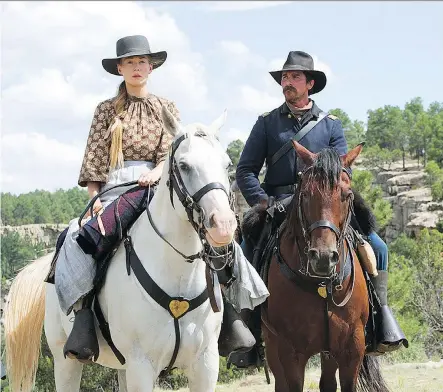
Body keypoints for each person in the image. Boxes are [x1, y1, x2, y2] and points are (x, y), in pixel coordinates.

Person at [53, 35, 267, 364]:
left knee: (214, 230)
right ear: (120, 68)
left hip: (162, 185)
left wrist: (158, 172)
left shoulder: (167, 107)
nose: (137, 68)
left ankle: (232, 312)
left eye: (143, 62)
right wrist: (95, 198)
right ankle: (83, 318)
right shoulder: (105, 111)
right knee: (80, 238)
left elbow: (178, 152)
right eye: (130, 63)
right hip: (116, 188)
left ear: (151, 67)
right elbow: (95, 160)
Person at [232, 51, 408, 367]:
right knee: (244, 251)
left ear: (310, 84)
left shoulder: (330, 125)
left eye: (295, 77)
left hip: (324, 204)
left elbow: (344, 170)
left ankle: (380, 321)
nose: (288, 82)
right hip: (278, 204)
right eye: (285, 77)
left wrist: (328, 196)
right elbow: (245, 170)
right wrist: (263, 202)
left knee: (378, 248)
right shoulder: (266, 124)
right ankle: (246, 333)